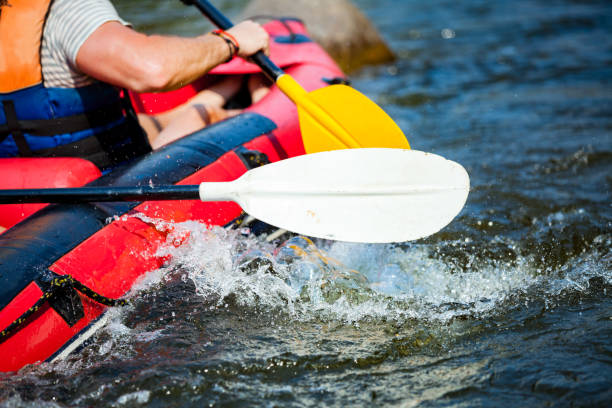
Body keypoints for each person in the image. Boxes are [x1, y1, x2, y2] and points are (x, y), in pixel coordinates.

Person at [0, 0, 270, 170]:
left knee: (154, 122)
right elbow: (153, 71)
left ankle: (220, 92)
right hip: (106, 192)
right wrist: (230, 42)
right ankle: (230, 100)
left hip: (22, 200)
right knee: (195, 120)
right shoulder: (67, 7)